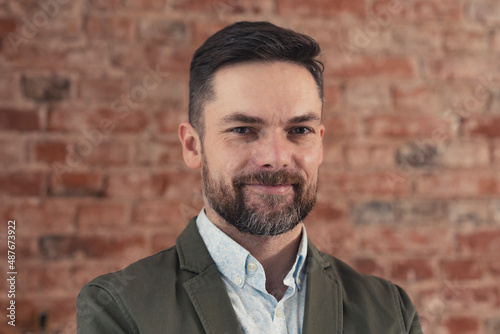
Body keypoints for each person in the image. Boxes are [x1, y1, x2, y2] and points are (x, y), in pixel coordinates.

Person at [76, 21, 423, 334]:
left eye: (298, 129)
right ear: (193, 146)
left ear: (319, 144)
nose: (275, 157)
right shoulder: (120, 309)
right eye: (243, 129)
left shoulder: (390, 313)